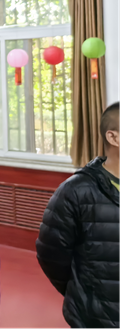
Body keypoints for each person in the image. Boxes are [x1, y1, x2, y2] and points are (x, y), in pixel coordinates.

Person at [37, 101, 120, 329]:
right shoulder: (75, 191)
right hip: (96, 320)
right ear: (113, 138)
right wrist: (86, 295)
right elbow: (51, 255)